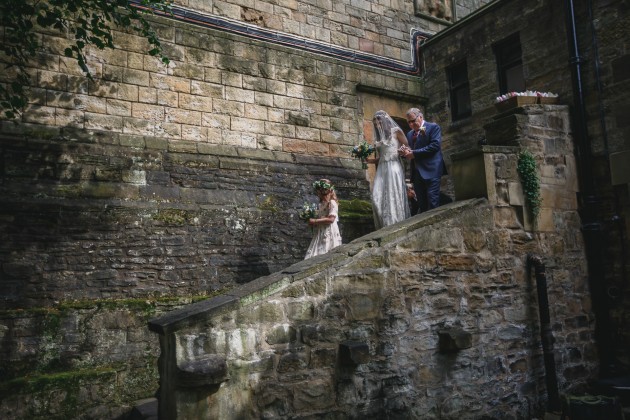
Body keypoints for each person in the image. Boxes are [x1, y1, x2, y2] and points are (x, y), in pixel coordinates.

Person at [366, 110, 411, 228]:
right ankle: (383, 226)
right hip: (382, 168)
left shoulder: (396, 132)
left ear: (384, 121)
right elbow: (381, 157)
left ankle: (395, 224)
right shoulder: (378, 138)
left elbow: (407, 147)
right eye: (375, 123)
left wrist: (403, 152)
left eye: (379, 122)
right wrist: (369, 161)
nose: (377, 125)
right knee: (376, 196)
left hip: (393, 167)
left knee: (392, 195)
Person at [399, 108, 446, 213]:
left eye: (413, 121)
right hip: (417, 173)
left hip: (432, 169)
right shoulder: (410, 134)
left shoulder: (433, 127)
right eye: (409, 122)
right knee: (422, 204)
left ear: (420, 117)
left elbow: (434, 146)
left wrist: (414, 153)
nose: (411, 124)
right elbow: (411, 150)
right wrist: (404, 152)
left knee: (433, 201)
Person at [304, 179, 343, 259]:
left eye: (320, 190)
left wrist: (315, 221)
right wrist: (312, 221)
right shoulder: (321, 204)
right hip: (320, 231)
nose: (318, 193)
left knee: (326, 252)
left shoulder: (332, 203)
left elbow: (331, 219)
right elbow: (321, 218)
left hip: (329, 231)